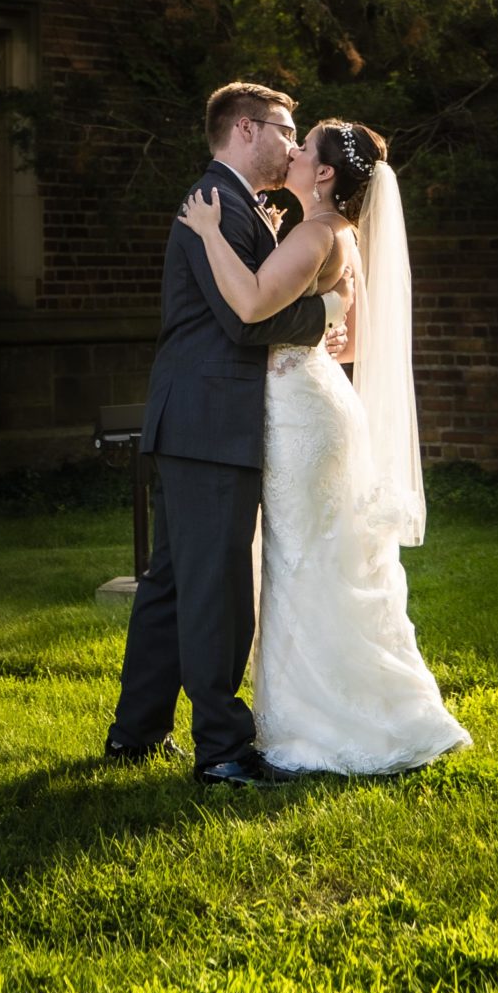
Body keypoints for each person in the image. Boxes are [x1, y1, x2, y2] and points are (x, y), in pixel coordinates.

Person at [178, 118, 470, 776]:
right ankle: (364, 706)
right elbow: (358, 344)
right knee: (322, 559)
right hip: (319, 404)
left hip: (301, 417)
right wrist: (324, 334)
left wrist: (205, 233)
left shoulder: (313, 233)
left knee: (301, 560)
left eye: (303, 148)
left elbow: (251, 304)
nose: (293, 153)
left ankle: (325, 723)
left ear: (325, 173)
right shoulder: (343, 236)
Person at [105, 81, 350, 787]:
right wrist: (327, 309)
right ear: (245, 130)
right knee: (216, 588)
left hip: (195, 417)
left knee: (174, 583)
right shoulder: (212, 205)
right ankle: (220, 748)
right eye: (284, 128)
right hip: (210, 418)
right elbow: (243, 321)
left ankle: (134, 734)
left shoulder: (241, 205)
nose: (292, 142)